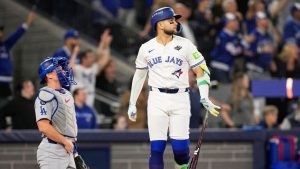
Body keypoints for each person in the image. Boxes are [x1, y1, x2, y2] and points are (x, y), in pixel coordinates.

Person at [127, 7, 220, 169]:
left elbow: (202, 71)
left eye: (175, 20)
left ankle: (181, 165)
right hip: (156, 98)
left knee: (181, 150)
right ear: (160, 24)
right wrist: (132, 102)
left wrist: (204, 96)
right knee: (156, 149)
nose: (175, 22)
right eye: (171, 20)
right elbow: (139, 76)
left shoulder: (185, 45)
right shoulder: (146, 48)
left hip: (180, 98)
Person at [34, 57, 88, 169]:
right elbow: (43, 126)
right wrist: (65, 142)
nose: (64, 70)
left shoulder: (67, 94)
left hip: (68, 150)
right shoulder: (45, 95)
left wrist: (75, 154)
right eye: (58, 68)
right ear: (49, 75)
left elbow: (68, 130)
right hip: (52, 152)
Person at [0, 11, 36, 111]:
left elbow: (16, 36)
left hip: (6, 85)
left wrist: (27, 24)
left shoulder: (5, 46)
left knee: (5, 109)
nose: (1, 33)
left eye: (1, 31)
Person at [70, 29, 112, 107]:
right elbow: (70, 68)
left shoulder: (93, 69)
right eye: (90, 57)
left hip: (89, 100)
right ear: (84, 59)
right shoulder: (78, 68)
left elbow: (105, 58)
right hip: (77, 101)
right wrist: (75, 53)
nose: (93, 58)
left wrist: (105, 44)